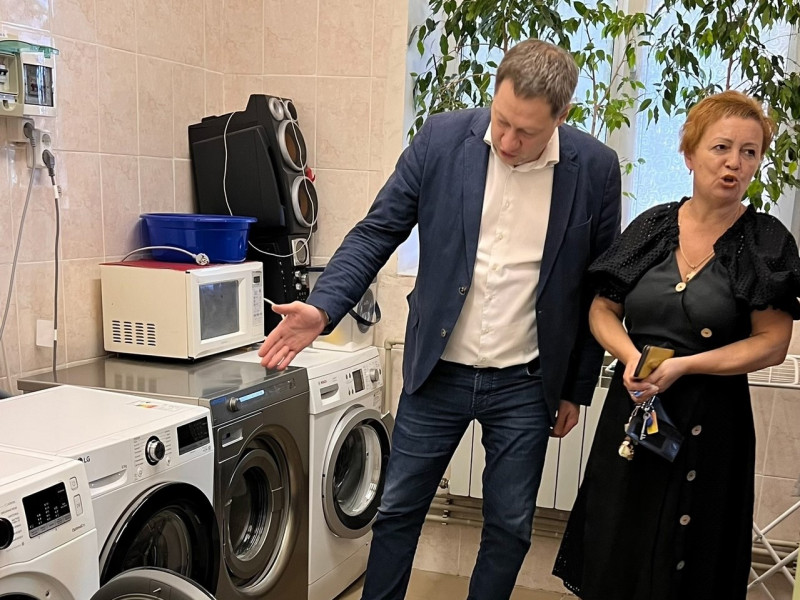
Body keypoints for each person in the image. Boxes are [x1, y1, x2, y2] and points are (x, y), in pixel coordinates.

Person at [259, 39, 621, 600]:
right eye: (501, 121)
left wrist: (576, 387)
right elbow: (377, 231)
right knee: (398, 511)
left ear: (561, 117)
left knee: (509, 527)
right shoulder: (442, 139)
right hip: (438, 371)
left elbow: (599, 285)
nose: (508, 142)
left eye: (526, 132)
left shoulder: (595, 168)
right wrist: (324, 305)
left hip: (526, 382)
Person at [553, 90, 800, 600]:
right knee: (619, 541)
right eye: (721, 148)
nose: (734, 163)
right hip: (636, 406)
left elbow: (773, 343)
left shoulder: (766, 241)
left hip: (712, 421)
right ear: (689, 154)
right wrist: (630, 357)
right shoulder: (652, 226)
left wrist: (687, 365)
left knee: (689, 557)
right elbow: (602, 308)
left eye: (749, 152)